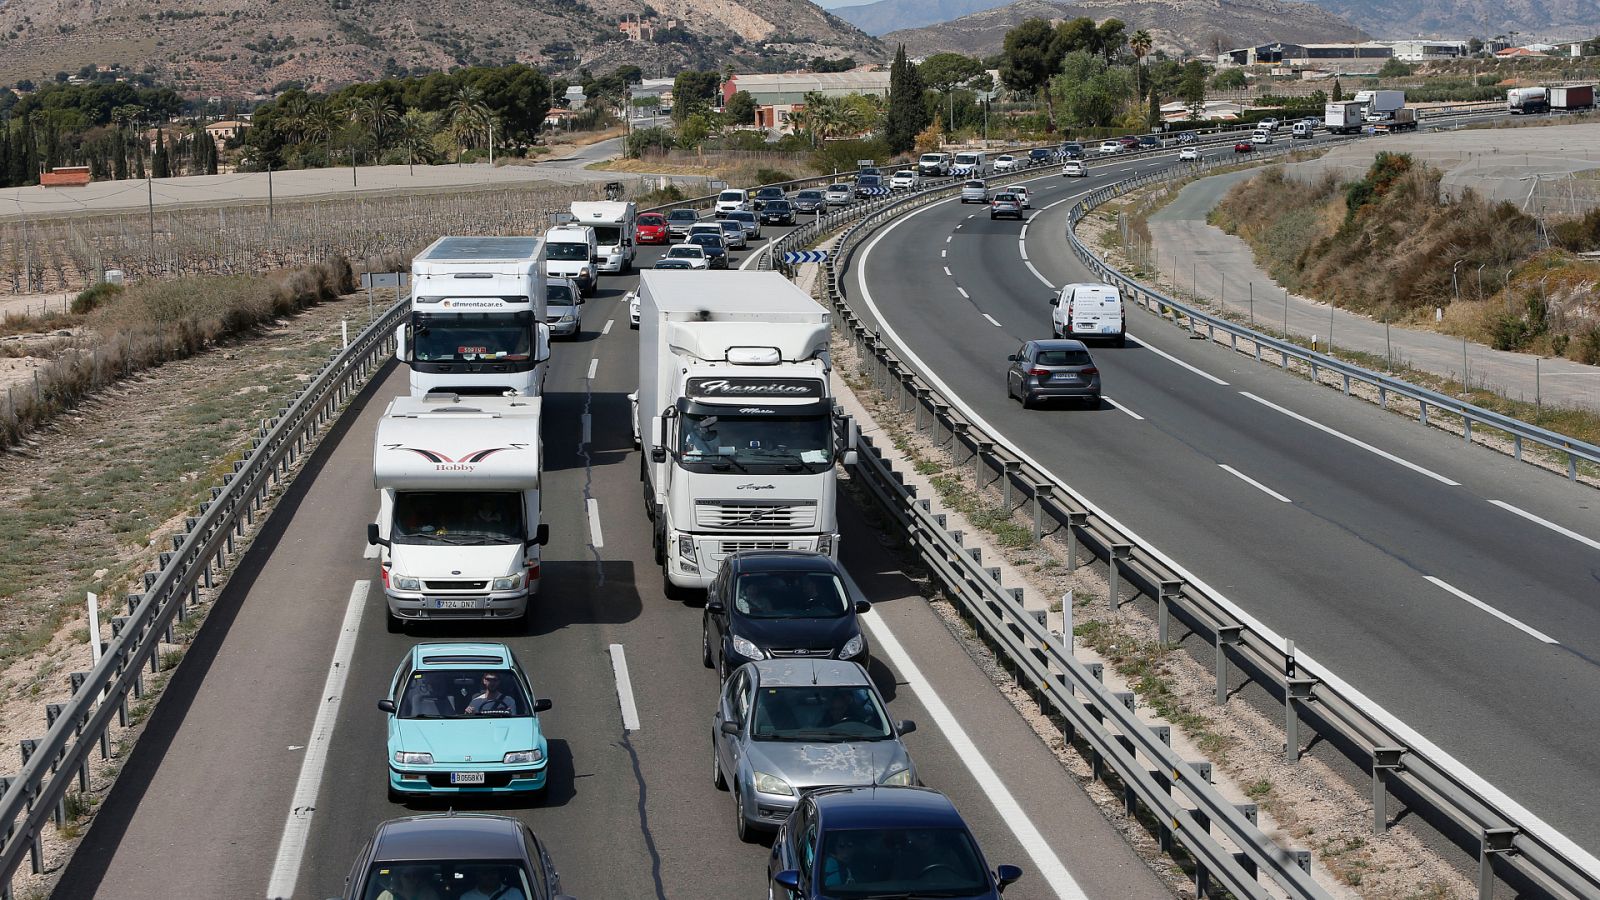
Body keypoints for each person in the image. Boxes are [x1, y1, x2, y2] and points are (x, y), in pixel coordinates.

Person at [458, 866, 526, 900]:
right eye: (485, 873)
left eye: (493, 872)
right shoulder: (466, 897)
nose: (490, 876)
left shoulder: (514, 893)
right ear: (478, 876)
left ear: (499, 874)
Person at [374, 865, 441, 900]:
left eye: (414, 875)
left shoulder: (429, 894)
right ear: (399, 877)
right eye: (407, 876)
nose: (411, 878)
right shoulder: (387, 895)